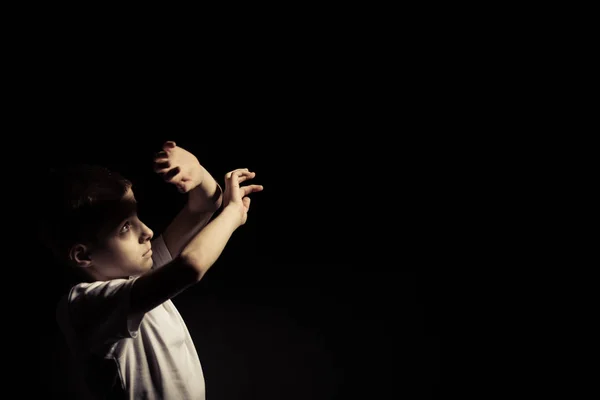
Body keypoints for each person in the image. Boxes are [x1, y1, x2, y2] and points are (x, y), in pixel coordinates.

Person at [37, 140, 263, 399]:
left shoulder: (140, 274)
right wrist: (233, 213)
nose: (147, 231)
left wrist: (197, 171)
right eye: (125, 228)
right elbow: (191, 266)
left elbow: (204, 205)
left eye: (136, 217)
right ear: (83, 255)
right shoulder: (84, 306)